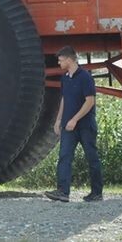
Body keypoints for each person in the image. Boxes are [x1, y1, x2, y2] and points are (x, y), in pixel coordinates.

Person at [44, 46, 103, 202]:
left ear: (70, 60)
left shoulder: (85, 77)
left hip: (85, 126)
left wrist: (75, 119)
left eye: (61, 60)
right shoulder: (65, 78)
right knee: (64, 157)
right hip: (68, 126)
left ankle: (96, 193)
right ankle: (63, 192)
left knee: (92, 158)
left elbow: (90, 102)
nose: (59, 62)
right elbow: (64, 99)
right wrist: (58, 120)